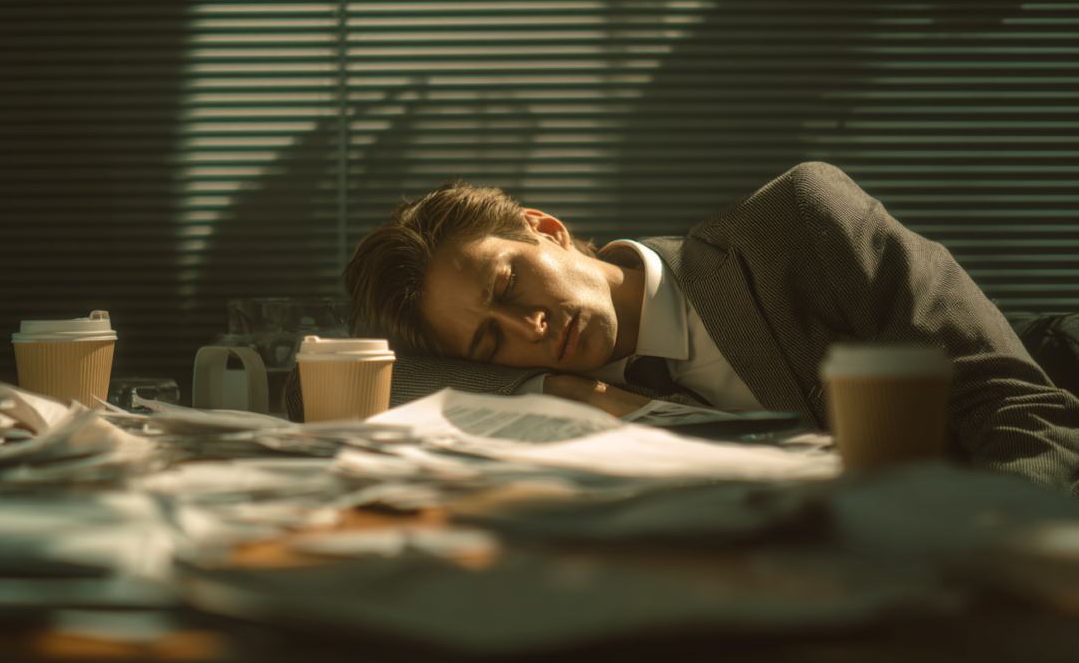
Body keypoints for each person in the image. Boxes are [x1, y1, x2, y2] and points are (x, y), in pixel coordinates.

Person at [286, 162, 1079, 494]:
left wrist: (971, 565)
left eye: (508, 281)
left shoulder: (798, 224)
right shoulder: (573, 380)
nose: (526, 324)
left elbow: (1023, 412)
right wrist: (565, 388)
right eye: (493, 340)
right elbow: (390, 384)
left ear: (546, 228)